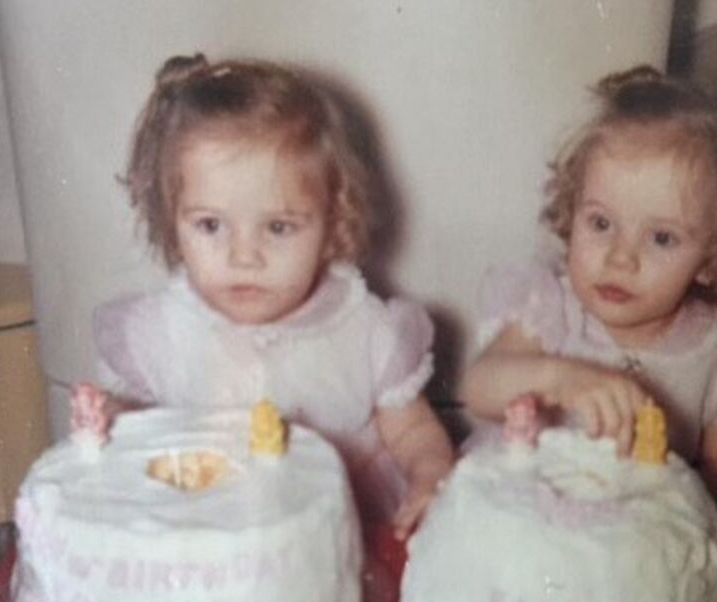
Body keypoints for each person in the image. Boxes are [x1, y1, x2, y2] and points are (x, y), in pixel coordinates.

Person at [94, 53, 453, 537]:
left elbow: (412, 431)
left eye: (278, 227)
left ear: (333, 225)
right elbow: (137, 438)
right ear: (171, 221)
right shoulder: (161, 330)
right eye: (211, 225)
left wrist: (429, 476)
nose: (245, 256)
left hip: (346, 542)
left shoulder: (363, 329)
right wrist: (110, 419)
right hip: (211, 547)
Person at [460, 65, 717, 508]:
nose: (620, 257)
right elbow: (477, 388)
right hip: (522, 520)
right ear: (570, 213)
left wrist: (670, 515)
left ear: (711, 260)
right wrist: (559, 378)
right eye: (600, 223)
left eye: (661, 238)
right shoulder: (553, 309)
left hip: (630, 544)